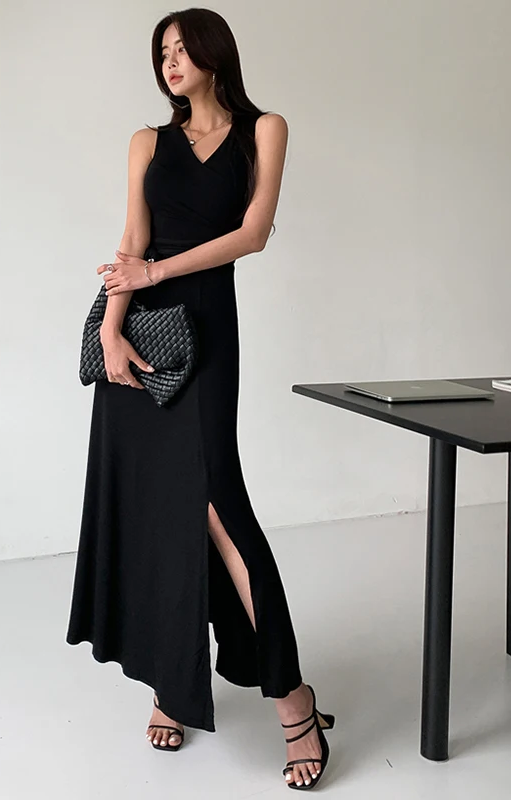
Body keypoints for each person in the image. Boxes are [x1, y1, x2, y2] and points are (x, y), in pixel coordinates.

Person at [67, 8, 335, 791]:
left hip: (208, 326)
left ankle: (293, 700)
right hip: (139, 331)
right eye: (162, 52)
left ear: (216, 55)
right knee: (159, 510)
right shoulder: (146, 142)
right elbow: (131, 241)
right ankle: (172, 685)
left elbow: (254, 232)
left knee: (219, 505)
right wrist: (110, 331)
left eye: (183, 49)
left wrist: (156, 273)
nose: (171, 62)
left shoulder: (264, 130)